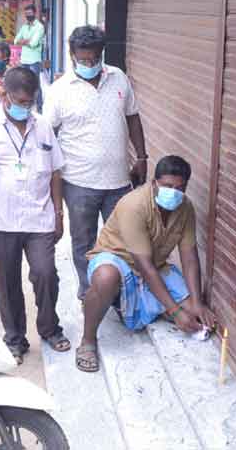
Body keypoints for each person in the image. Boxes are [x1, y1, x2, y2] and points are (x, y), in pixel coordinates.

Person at [0, 67, 70, 365]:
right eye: (19, 101)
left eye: (29, 102)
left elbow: (55, 173)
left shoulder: (43, 126)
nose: (25, 107)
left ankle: (49, 328)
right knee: (7, 282)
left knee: (46, 272)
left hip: (39, 217)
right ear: (5, 95)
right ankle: (15, 338)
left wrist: (59, 213)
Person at [75, 155, 216, 372]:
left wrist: (197, 302)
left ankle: (137, 305)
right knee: (106, 278)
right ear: (154, 183)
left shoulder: (185, 208)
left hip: (155, 264)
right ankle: (88, 340)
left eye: (180, 188)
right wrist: (176, 312)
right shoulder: (134, 205)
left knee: (197, 313)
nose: (174, 192)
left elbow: (189, 257)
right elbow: (144, 266)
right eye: (168, 186)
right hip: (118, 259)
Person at [44, 25, 148, 301]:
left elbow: (133, 117)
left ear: (102, 53)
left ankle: (118, 291)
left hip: (119, 181)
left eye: (94, 59)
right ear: (72, 55)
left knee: (124, 240)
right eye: (83, 60)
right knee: (84, 241)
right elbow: (47, 138)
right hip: (78, 183)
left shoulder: (119, 78)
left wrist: (142, 157)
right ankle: (89, 290)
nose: (89, 64)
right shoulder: (59, 91)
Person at [14, 4, 45, 79]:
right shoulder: (24, 27)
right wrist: (27, 41)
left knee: (35, 85)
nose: (28, 15)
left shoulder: (40, 27)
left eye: (30, 13)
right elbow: (15, 41)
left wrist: (22, 42)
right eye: (26, 14)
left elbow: (33, 43)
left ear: (35, 13)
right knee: (25, 85)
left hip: (34, 61)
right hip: (24, 60)